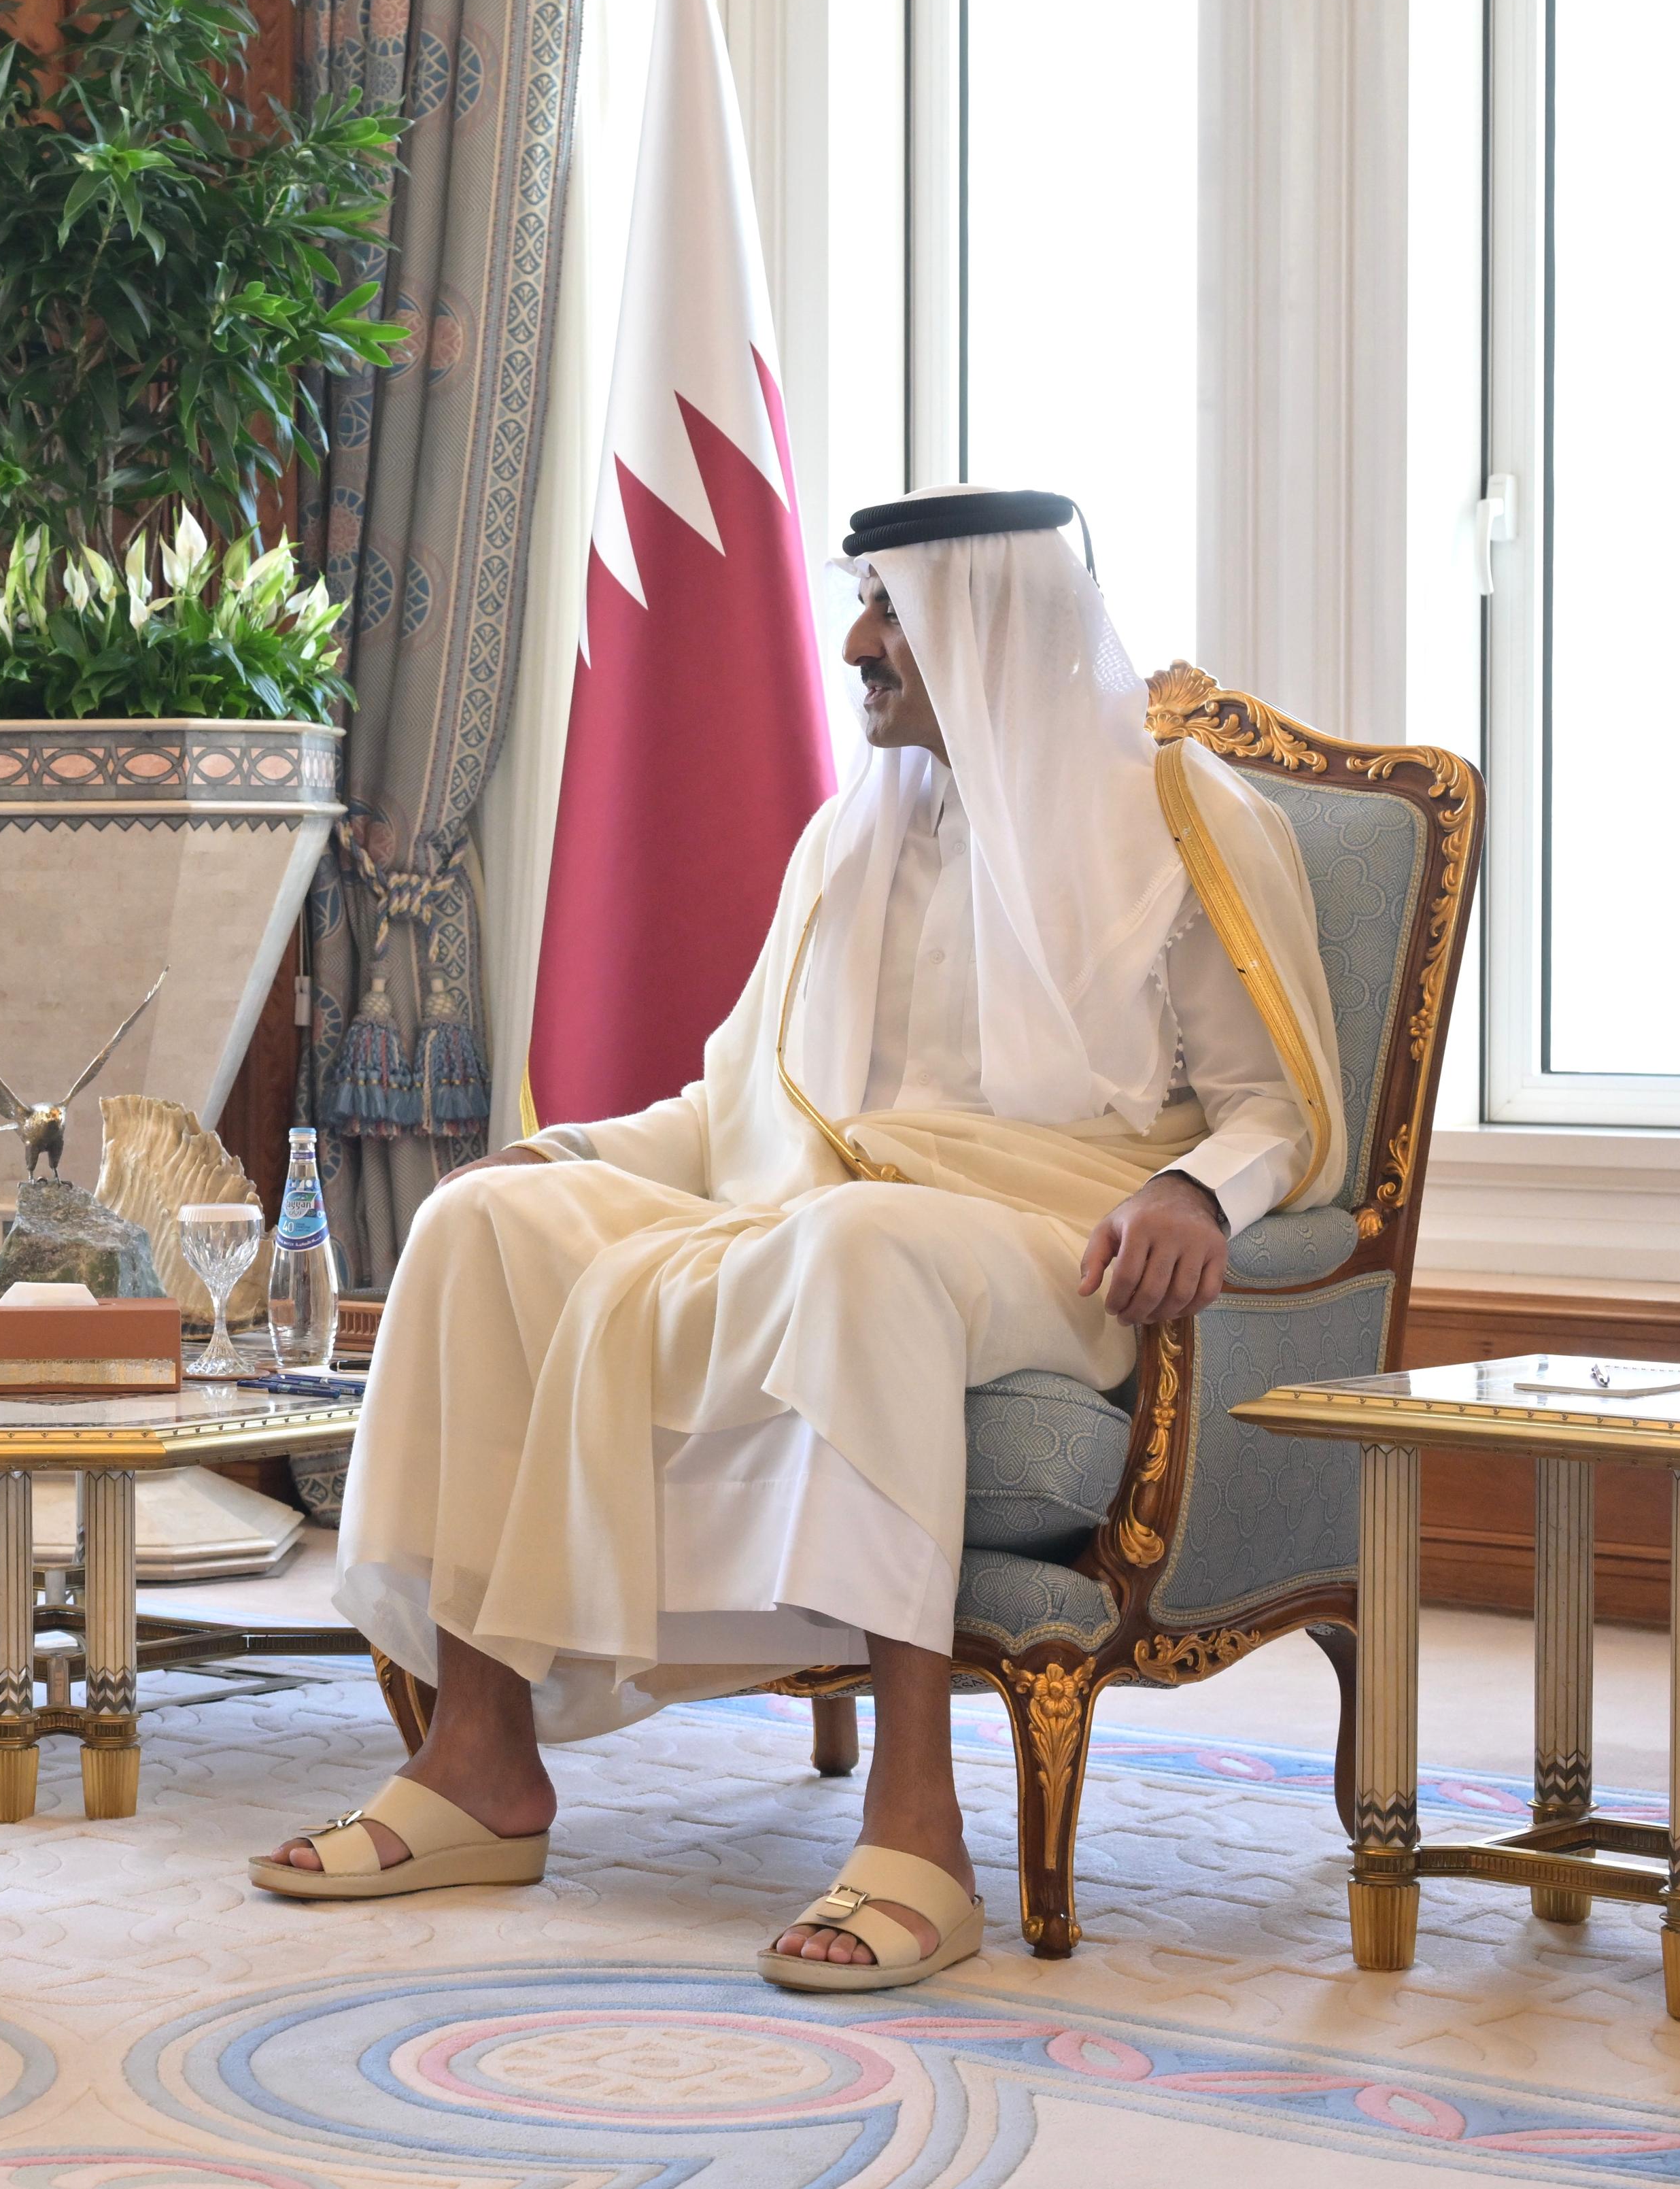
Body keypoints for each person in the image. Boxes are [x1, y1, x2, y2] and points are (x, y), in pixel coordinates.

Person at [254, 488, 1339, 1992]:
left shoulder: (1180, 820)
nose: (854, 645)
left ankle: (918, 1827)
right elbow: (738, 1106)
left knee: (861, 1242)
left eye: (890, 611)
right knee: (483, 1221)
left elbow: (1275, 1107)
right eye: (861, 605)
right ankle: (479, 1759)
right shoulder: (850, 836)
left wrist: (1196, 1194)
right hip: (820, 1208)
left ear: (987, 616)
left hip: (1059, 1234)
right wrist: (566, 1154)